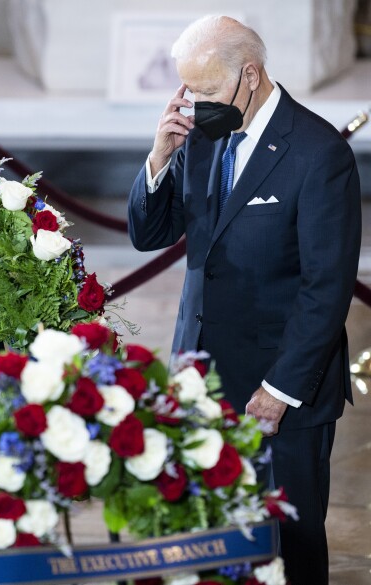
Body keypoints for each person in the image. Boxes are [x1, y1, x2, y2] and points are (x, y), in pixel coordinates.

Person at [127, 15, 361, 585]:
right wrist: (159, 156)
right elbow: (149, 234)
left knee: (290, 544)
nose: (194, 101)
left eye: (206, 89)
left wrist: (279, 391)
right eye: (187, 89)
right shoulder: (202, 135)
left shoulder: (318, 153)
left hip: (280, 385)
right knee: (211, 538)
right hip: (200, 375)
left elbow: (325, 289)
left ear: (250, 75)